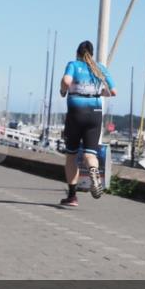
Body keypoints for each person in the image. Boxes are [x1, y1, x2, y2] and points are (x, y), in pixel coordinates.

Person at [58, 41, 116, 206]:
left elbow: (66, 81)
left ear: (77, 53)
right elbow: (113, 91)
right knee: (90, 154)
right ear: (91, 54)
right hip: (95, 115)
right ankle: (94, 171)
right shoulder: (100, 68)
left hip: (76, 114)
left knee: (71, 155)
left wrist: (63, 91)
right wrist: (99, 92)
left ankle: (72, 196)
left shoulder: (74, 65)